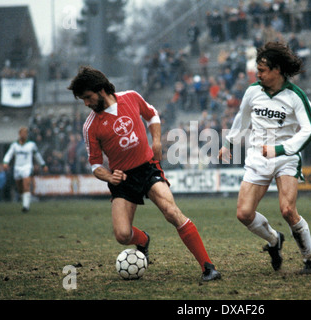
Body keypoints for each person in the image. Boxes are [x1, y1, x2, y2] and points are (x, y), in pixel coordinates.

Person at [67, 66, 221, 282]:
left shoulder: (131, 97)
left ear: (101, 90)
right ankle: (143, 239)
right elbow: (95, 165)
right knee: (122, 235)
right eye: (82, 99)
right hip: (122, 179)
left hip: (147, 168)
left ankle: (208, 267)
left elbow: (152, 115)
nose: (86, 103)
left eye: (88, 97)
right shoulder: (90, 126)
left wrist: (156, 140)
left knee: (171, 211)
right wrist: (110, 177)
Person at [218, 42, 311, 274]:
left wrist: (283, 149)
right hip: (257, 158)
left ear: (277, 70)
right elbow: (241, 120)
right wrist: (228, 143)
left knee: (287, 210)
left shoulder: (296, 96)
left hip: (286, 158)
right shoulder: (253, 92)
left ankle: (310, 260)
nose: (258, 74)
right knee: (244, 213)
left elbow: (309, 130)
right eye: (258, 69)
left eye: (262, 70)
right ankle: (275, 240)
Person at [2, 127, 48, 212]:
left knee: (26, 185)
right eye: (22, 133)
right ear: (19, 134)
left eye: (25, 133)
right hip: (17, 168)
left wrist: (43, 165)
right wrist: (5, 162)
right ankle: (24, 201)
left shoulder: (31, 145)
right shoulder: (14, 145)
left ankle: (25, 207)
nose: (23, 135)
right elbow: (9, 154)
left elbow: (37, 155)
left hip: (27, 167)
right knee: (20, 188)